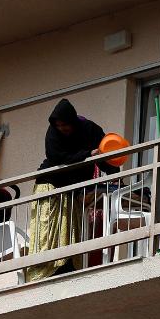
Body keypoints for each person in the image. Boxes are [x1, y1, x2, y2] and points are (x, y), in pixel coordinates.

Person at [26, 99, 119, 282]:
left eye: (65, 125)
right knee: (49, 231)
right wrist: (87, 155)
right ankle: (45, 271)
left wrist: (114, 173)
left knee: (69, 231)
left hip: (72, 192)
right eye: (59, 126)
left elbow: (105, 156)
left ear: (73, 121)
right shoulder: (53, 134)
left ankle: (65, 267)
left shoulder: (90, 130)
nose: (62, 129)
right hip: (51, 188)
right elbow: (57, 158)